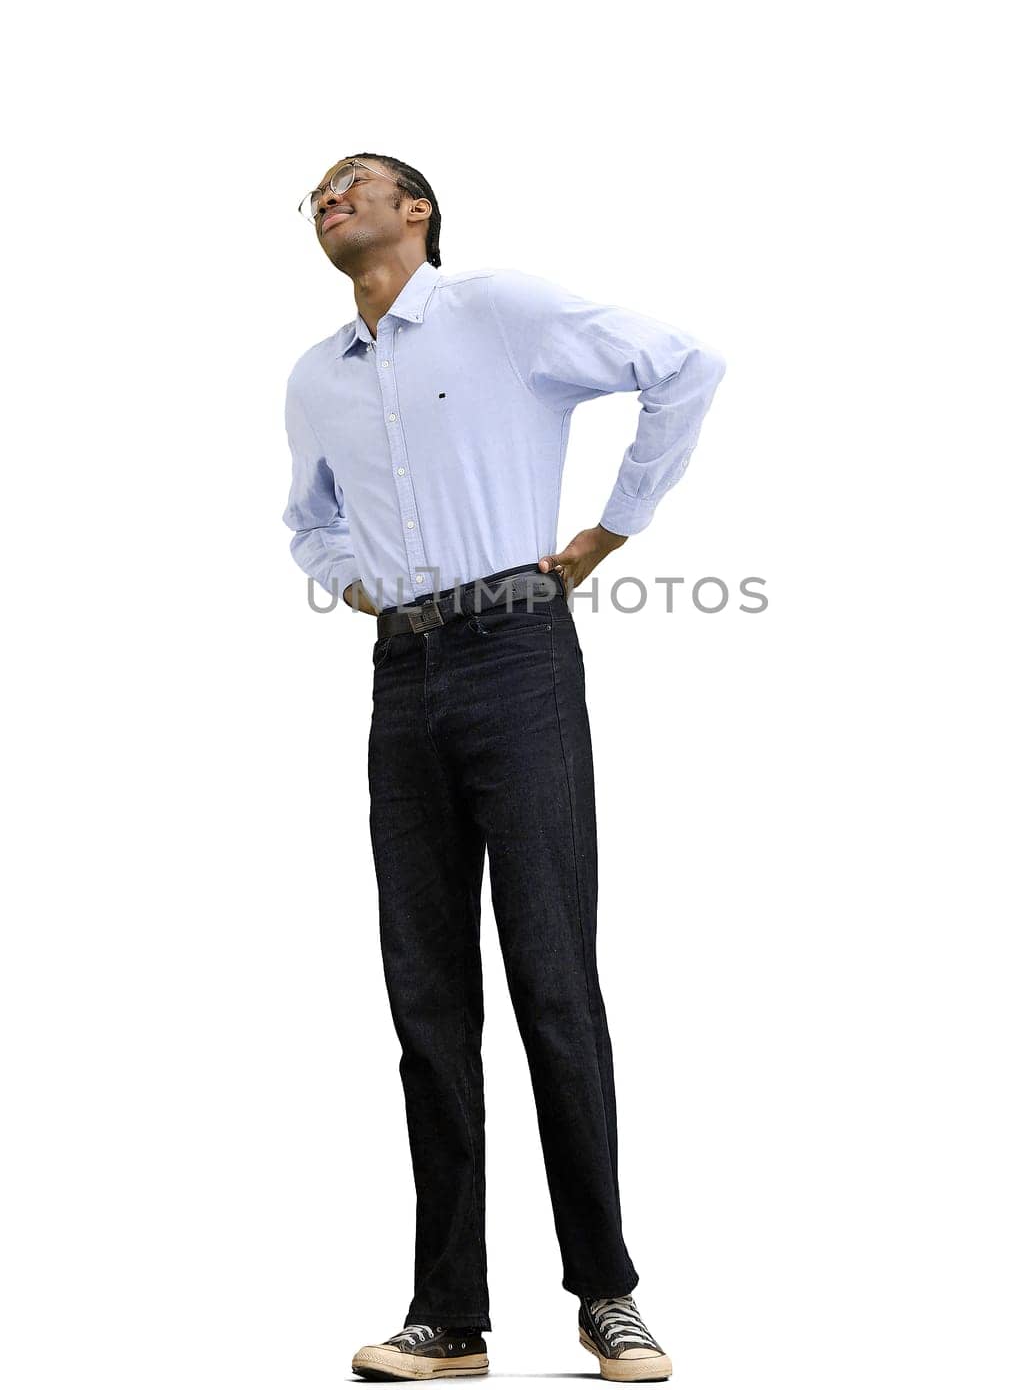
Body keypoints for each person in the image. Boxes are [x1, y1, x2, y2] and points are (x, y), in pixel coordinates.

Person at [283, 153, 726, 1383]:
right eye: (312, 192)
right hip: (399, 674)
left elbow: (682, 365)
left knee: (548, 972)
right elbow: (305, 518)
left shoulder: (498, 310)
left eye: (350, 182)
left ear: (413, 210)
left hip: (518, 654)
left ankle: (607, 1293)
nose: (325, 198)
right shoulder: (316, 378)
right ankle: (448, 1315)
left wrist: (608, 531)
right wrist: (358, 581)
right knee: (425, 999)